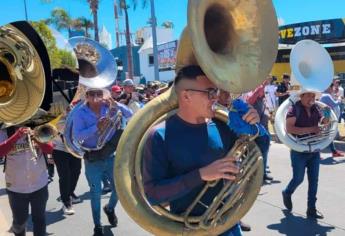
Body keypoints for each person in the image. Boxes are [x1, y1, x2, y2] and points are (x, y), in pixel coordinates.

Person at [142, 65, 260, 236]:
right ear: (186, 96)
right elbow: (153, 194)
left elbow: (254, 155)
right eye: (210, 92)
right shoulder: (159, 136)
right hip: (188, 229)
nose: (216, 98)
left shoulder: (222, 125)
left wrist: (254, 126)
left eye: (216, 92)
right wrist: (201, 174)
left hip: (228, 224)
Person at [72, 87, 133, 236]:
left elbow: (130, 114)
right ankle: (97, 225)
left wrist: (116, 104)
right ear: (86, 96)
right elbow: (77, 135)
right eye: (91, 94)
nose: (95, 97)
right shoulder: (80, 113)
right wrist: (96, 127)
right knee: (95, 193)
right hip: (93, 158)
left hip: (111, 155)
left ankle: (110, 208)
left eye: (98, 93)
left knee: (119, 189)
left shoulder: (109, 106)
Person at [282, 90, 330, 219]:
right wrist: (311, 129)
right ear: (301, 96)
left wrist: (327, 114)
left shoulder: (315, 108)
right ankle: (287, 192)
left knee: (314, 181)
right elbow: (289, 128)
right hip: (299, 151)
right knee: (298, 178)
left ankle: (311, 209)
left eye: (313, 96)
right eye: (309, 95)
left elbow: (323, 122)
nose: (312, 98)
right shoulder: (294, 108)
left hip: (314, 149)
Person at [0, 126, 54, 236]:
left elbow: (49, 149)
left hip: (39, 184)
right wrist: (16, 136)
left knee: (40, 220)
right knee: (19, 222)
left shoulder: (38, 128)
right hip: (16, 187)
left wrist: (36, 137)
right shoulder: (4, 131)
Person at [242, 78, 273, 182]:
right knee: (253, 155)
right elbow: (249, 100)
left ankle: (263, 174)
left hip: (264, 132)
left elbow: (267, 113)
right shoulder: (252, 94)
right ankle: (252, 176)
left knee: (264, 154)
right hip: (254, 133)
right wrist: (261, 86)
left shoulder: (264, 99)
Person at [52, 113, 82, 215]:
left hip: (74, 147)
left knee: (76, 172)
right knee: (64, 175)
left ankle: (69, 192)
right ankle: (66, 202)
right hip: (59, 148)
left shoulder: (77, 110)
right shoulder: (58, 112)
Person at [320, 83, 344, 157]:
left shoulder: (325, 95)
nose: (333, 89)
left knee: (328, 135)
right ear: (329, 88)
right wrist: (340, 99)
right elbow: (334, 104)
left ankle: (334, 151)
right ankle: (317, 152)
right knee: (325, 136)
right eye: (332, 88)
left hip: (327, 117)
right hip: (327, 118)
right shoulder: (326, 95)